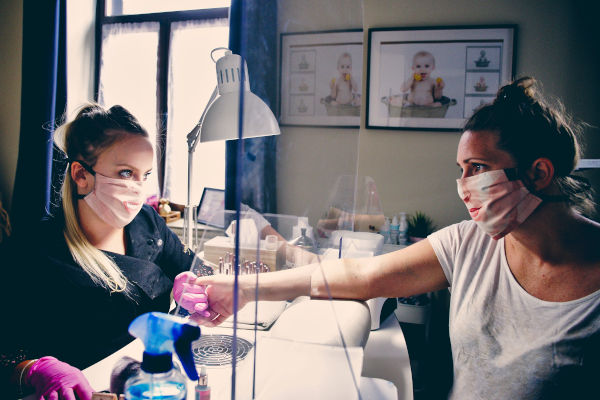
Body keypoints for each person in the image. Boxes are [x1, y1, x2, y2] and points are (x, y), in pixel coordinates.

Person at [187, 77, 600, 398]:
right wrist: (246, 288)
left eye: (477, 167)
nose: (463, 186)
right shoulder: (469, 243)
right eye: (460, 170)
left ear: (539, 173)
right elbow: (361, 275)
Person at [0, 104, 212, 399]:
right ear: (80, 175)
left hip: (156, 380)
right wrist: (35, 369)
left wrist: (194, 283)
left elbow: (197, 271)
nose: (138, 188)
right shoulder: (34, 250)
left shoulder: (146, 222)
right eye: (126, 173)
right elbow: (5, 350)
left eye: (144, 175)